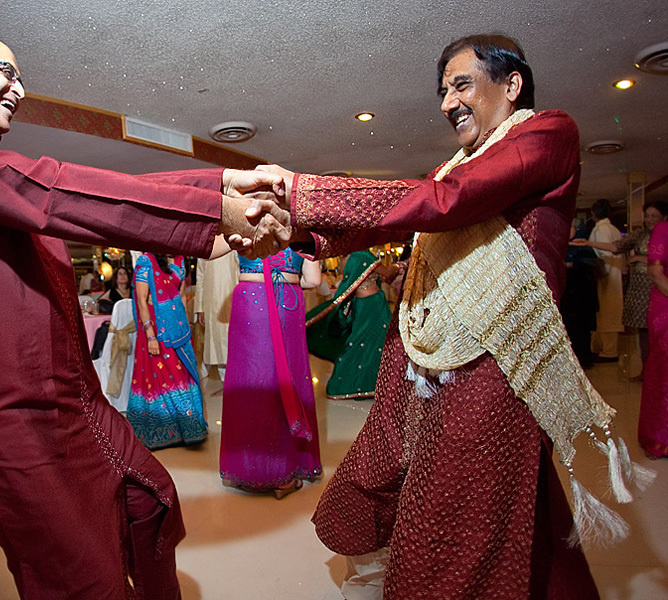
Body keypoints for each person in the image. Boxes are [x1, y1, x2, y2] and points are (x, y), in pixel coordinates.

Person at [0, 33, 285, 599]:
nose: (19, 88)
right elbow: (50, 190)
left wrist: (216, 185)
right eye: (7, 71)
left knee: (149, 499)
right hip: (5, 405)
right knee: (78, 578)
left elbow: (91, 191)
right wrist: (218, 213)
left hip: (72, 394)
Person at [253, 34, 646, 599]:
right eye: (443, 90)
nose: (445, 103)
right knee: (397, 471)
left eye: (461, 84)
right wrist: (297, 230)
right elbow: (399, 220)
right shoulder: (455, 164)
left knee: (458, 510)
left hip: (495, 362)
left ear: (511, 86)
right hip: (418, 350)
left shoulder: (548, 133)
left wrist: (304, 192)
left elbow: (448, 200)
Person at [216, 240, 323, 499]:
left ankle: (249, 467)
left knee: (250, 379)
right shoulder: (304, 226)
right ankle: (282, 473)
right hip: (287, 298)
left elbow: (210, 248)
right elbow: (313, 280)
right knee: (284, 378)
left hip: (250, 298)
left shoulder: (243, 218)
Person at [572, 200, 668, 371]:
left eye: (654, 216)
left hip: (659, 286)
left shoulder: (664, 235)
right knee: (642, 332)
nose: (650, 220)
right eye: (647, 216)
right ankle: (648, 371)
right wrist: (588, 243)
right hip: (640, 289)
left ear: (664, 217)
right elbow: (615, 247)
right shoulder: (640, 235)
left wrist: (640, 259)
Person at [127, 253, 208, 449]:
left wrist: (186, 327)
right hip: (157, 329)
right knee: (164, 376)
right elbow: (141, 300)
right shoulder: (146, 262)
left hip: (178, 329)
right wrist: (150, 336)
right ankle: (163, 431)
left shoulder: (180, 261)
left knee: (183, 375)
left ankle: (188, 428)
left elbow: (181, 296)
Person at [306, 250, 394, 400]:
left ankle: (361, 386)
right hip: (372, 306)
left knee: (361, 344)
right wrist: (402, 264)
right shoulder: (363, 256)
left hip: (360, 305)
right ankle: (369, 385)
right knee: (375, 344)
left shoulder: (348, 257)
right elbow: (388, 274)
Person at [639, 220, 668, 457]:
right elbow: (655, 274)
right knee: (664, 371)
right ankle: (658, 438)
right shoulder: (663, 230)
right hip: (666, 305)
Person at [587, 198, 625, 362]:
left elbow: (605, 254)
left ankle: (608, 350)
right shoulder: (614, 229)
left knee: (606, 311)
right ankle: (605, 348)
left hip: (607, 274)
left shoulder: (601, 229)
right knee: (611, 310)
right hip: (615, 272)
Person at [193, 251, 238, 381]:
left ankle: (236, 383)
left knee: (233, 341)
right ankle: (225, 383)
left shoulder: (232, 242)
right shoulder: (204, 247)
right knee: (217, 344)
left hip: (232, 296)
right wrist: (200, 308)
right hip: (211, 301)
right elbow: (200, 277)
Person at [562, 219, 600, 369]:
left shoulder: (584, 247)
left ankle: (583, 359)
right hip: (566, 292)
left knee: (582, 326)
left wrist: (574, 263)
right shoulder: (559, 245)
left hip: (582, 291)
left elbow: (593, 263)